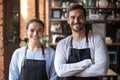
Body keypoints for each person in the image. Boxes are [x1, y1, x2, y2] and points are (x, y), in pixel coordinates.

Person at [54, 4, 109, 80]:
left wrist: (71, 72)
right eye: (73, 17)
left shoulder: (97, 40)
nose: (76, 21)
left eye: (80, 17)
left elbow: (102, 69)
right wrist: (87, 63)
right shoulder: (62, 44)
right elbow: (60, 71)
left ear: (85, 19)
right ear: (68, 20)